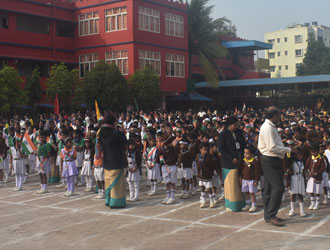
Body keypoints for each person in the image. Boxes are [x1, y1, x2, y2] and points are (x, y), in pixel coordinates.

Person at [258, 106, 291, 227]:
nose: (280, 117)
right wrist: (287, 149)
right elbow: (272, 147)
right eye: (279, 115)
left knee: (268, 189)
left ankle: (268, 215)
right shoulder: (267, 128)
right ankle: (271, 215)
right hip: (270, 159)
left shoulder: (270, 126)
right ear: (274, 115)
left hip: (271, 159)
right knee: (278, 188)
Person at [218, 116, 246, 212]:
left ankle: (241, 203)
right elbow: (222, 149)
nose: (237, 127)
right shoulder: (223, 135)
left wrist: (243, 156)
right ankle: (231, 204)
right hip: (229, 163)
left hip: (240, 160)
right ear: (230, 125)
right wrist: (231, 158)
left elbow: (243, 145)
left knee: (240, 183)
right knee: (231, 184)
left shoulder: (239, 133)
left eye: (237, 125)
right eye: (235, 125)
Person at [99, 114, 127, 209]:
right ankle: (116, 202)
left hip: (106, 161)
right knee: (117, 184)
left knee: (108, 181)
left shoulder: (101, 132)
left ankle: (108, 200)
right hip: (116, 160)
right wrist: (122, 132)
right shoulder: (116, 133)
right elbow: (124, 143)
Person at [239, 145, 260, 213]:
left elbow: (257, 171)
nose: (245, 155)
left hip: (251, 180)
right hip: (245, 179)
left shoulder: (254, 162)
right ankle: (247, 204)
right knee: (246, 192)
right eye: (244, 153)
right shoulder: (243, 161)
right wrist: (241, 178)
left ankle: (254, 205)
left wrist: (256, 180)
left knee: (252, 193)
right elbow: (241, 169)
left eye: (247, 153)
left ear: (252, 154)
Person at [306, 143, 325, 210]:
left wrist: (316, 173)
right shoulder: (310, 157)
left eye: (314, 152)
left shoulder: (321, 158)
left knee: (317, 190)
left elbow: (323, 168)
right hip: (311, 177)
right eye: (312, 152)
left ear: (317, 151)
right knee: (311, 190)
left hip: (318, 177)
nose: (313, 153)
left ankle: (317, 203)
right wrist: (309, 172)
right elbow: (307, 166)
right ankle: (312, 202)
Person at [288, 150, 306, 217]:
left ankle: (302, 210)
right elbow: (287, 161)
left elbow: (304, 169)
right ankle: (292, 210)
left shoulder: (303, 162)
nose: (301, 156)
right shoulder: (292, 162)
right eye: (299, 155)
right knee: (293, 195)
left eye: (302, 155)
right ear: (295, 155)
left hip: (300, 178)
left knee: (300, 194)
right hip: (294, 177)